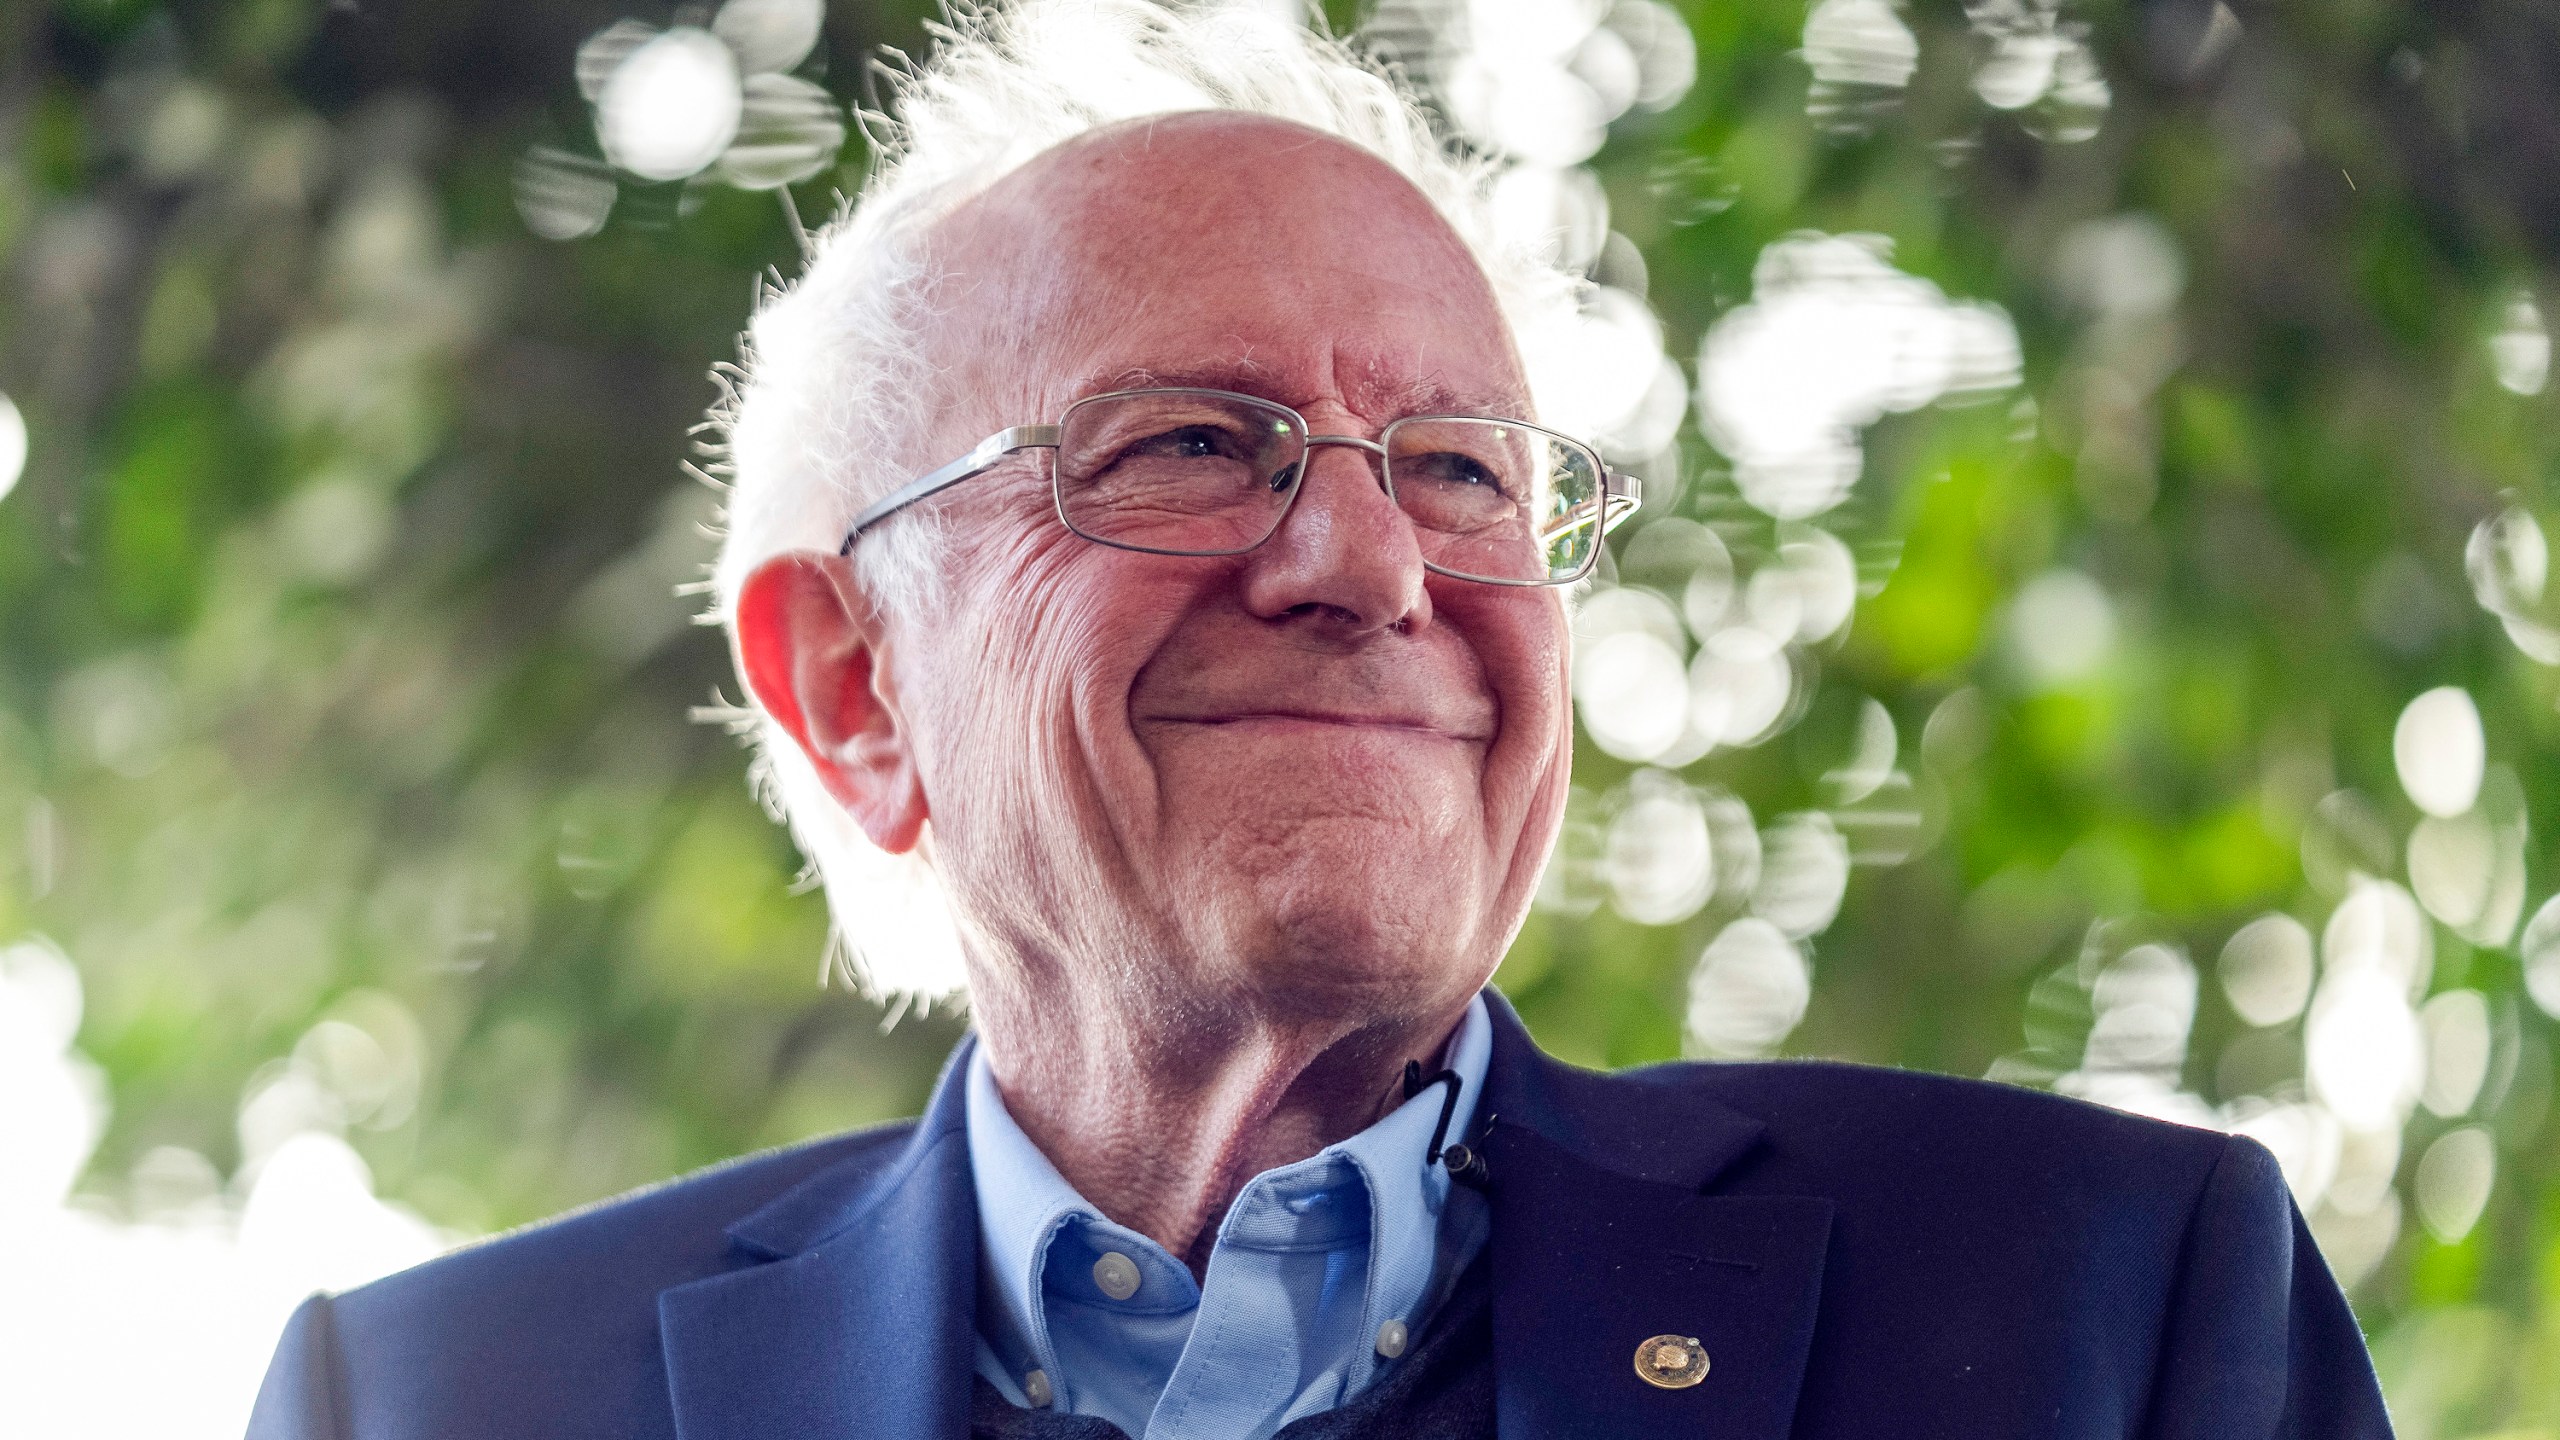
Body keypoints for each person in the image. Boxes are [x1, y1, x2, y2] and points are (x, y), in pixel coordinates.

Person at [246, 2, 2395, 1436]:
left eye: (1461, 468)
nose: (1373, 564)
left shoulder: (2105, 1318)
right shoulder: (435, 1402)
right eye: (1192, 440)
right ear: (852, 686)